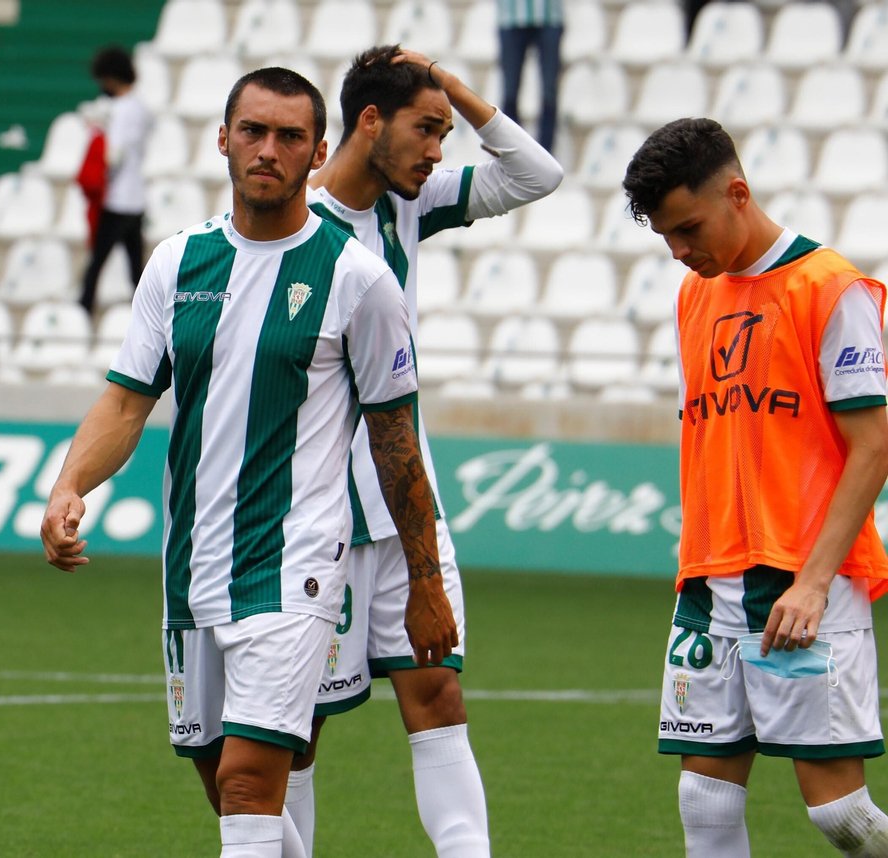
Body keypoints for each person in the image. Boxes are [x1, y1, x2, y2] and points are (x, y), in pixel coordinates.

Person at [40, 67, 455, 858]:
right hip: (192, 567)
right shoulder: (176, 263)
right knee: (225, 789)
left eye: (290, 137)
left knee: (247, 784)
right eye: (254, 132)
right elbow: (127, 401)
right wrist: (68, 485)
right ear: (223, 139)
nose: (269, 150)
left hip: (294, 567)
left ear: (319, 150)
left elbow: (396, 443)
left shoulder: (355, 278)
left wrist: (426, 584)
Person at [292, 45, 564, 857]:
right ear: (369, 121)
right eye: (426, 129)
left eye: (444, 133)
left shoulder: (407, 202)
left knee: (438, 691)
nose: (439, 151)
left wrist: (449, 89)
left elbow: (536, 174)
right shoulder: (289, 222)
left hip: (407, 501)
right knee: (294, 730)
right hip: (317, 519)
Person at [625, 117, 888, 858]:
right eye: (665, 237)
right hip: (710, 583)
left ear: (737, 193)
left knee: (842, 818)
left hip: (804, 582)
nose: (678, 251)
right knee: (703, 801)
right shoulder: (694, 295)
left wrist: (812, 582)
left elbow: (873, 447)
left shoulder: (832, 288)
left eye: (688, 228)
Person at [80, 46, 151, 313]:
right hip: (137, 197)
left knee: (97, 261)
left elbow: (114, 155)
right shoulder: (142, 108)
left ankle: (84, 306)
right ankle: (147, 312)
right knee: (135, 266)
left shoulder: (120, 110)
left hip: (117, 199)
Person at [497, 0, 561, 151]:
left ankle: (546, 156)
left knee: (549, 92)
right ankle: (512, 153)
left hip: (549, 16)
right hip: (510, 17)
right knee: (510, 92)